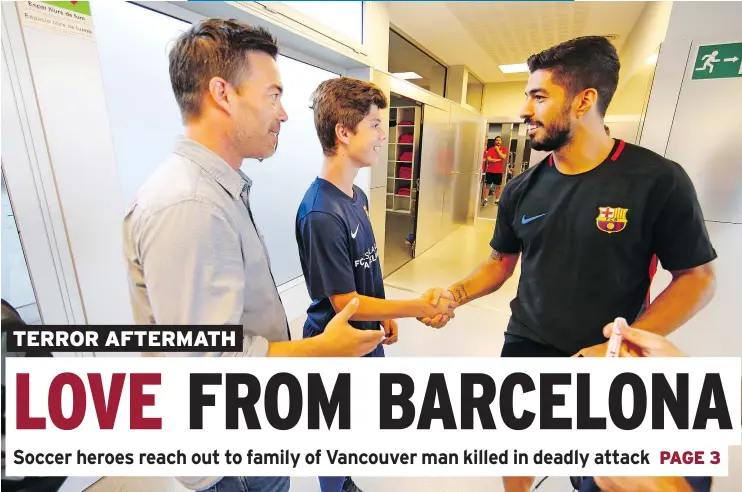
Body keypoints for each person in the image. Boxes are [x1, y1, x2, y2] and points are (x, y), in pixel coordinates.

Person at [419, 35, 717, 492]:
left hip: (611, 358)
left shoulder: (657, 181)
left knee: (602, 476)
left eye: (538, 96)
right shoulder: (522, 188)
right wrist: (454, 294)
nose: (524, 110)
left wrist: (625, 343)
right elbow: (500, 263)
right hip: (528, 342)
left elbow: (697, 279)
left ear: (584, 101)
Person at [122, 19, 384, 492]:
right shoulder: (192, 205)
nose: (283, 114)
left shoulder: (214, 191)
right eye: (272, 95)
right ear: (222, 94)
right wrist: (322, 349)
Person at [295, 77, 457, 492]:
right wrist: (419, 307)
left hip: (368, 338)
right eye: (374, 125)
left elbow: (365, 271)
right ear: (343, 132)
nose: (384, 135)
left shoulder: (357, 198)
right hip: (336, 344)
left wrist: (384, 316)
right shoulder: (321, 214)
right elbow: (346, 301)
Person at [481, 136, 507, 206]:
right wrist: (498, 160)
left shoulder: (503, 149)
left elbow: (504, 157)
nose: (498, 141)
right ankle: (485, 199)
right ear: (494, 141)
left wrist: (498, 150)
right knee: (487, 186)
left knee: (498, 186)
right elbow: (489, 159)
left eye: (499, 140)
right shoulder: (490, 149)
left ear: (501, 142)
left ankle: (497, 200)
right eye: (497, 140)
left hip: (498, 171)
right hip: (490, 171)